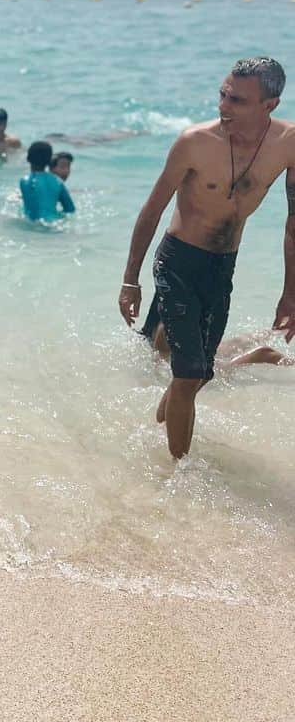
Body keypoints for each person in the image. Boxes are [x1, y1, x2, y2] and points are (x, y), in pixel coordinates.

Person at [119, 56, 295, 459]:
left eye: (237, 100)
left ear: (270, 104)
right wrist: (131, 279)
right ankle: (179, 476)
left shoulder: (288, 144)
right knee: (188, 372)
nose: (223, 106)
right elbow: (152, 210)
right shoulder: (194, 143)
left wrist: (291, 292)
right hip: (178, 262)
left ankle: (159, 427)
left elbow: (293, 222)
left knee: (201, 372)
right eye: (223, 94)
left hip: (222, 266)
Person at [140, 294, 291, 369]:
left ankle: (275, 337)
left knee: (227, 361)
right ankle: (280, 328)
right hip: (194, 346)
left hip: (189, 355)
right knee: (239, 342)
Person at [20, 141, 75, 221]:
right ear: (49, 161)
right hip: (53, 223)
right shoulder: (58, 182)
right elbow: (70, 209)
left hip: (32, 226)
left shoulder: (24, 181)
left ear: (28, 158)